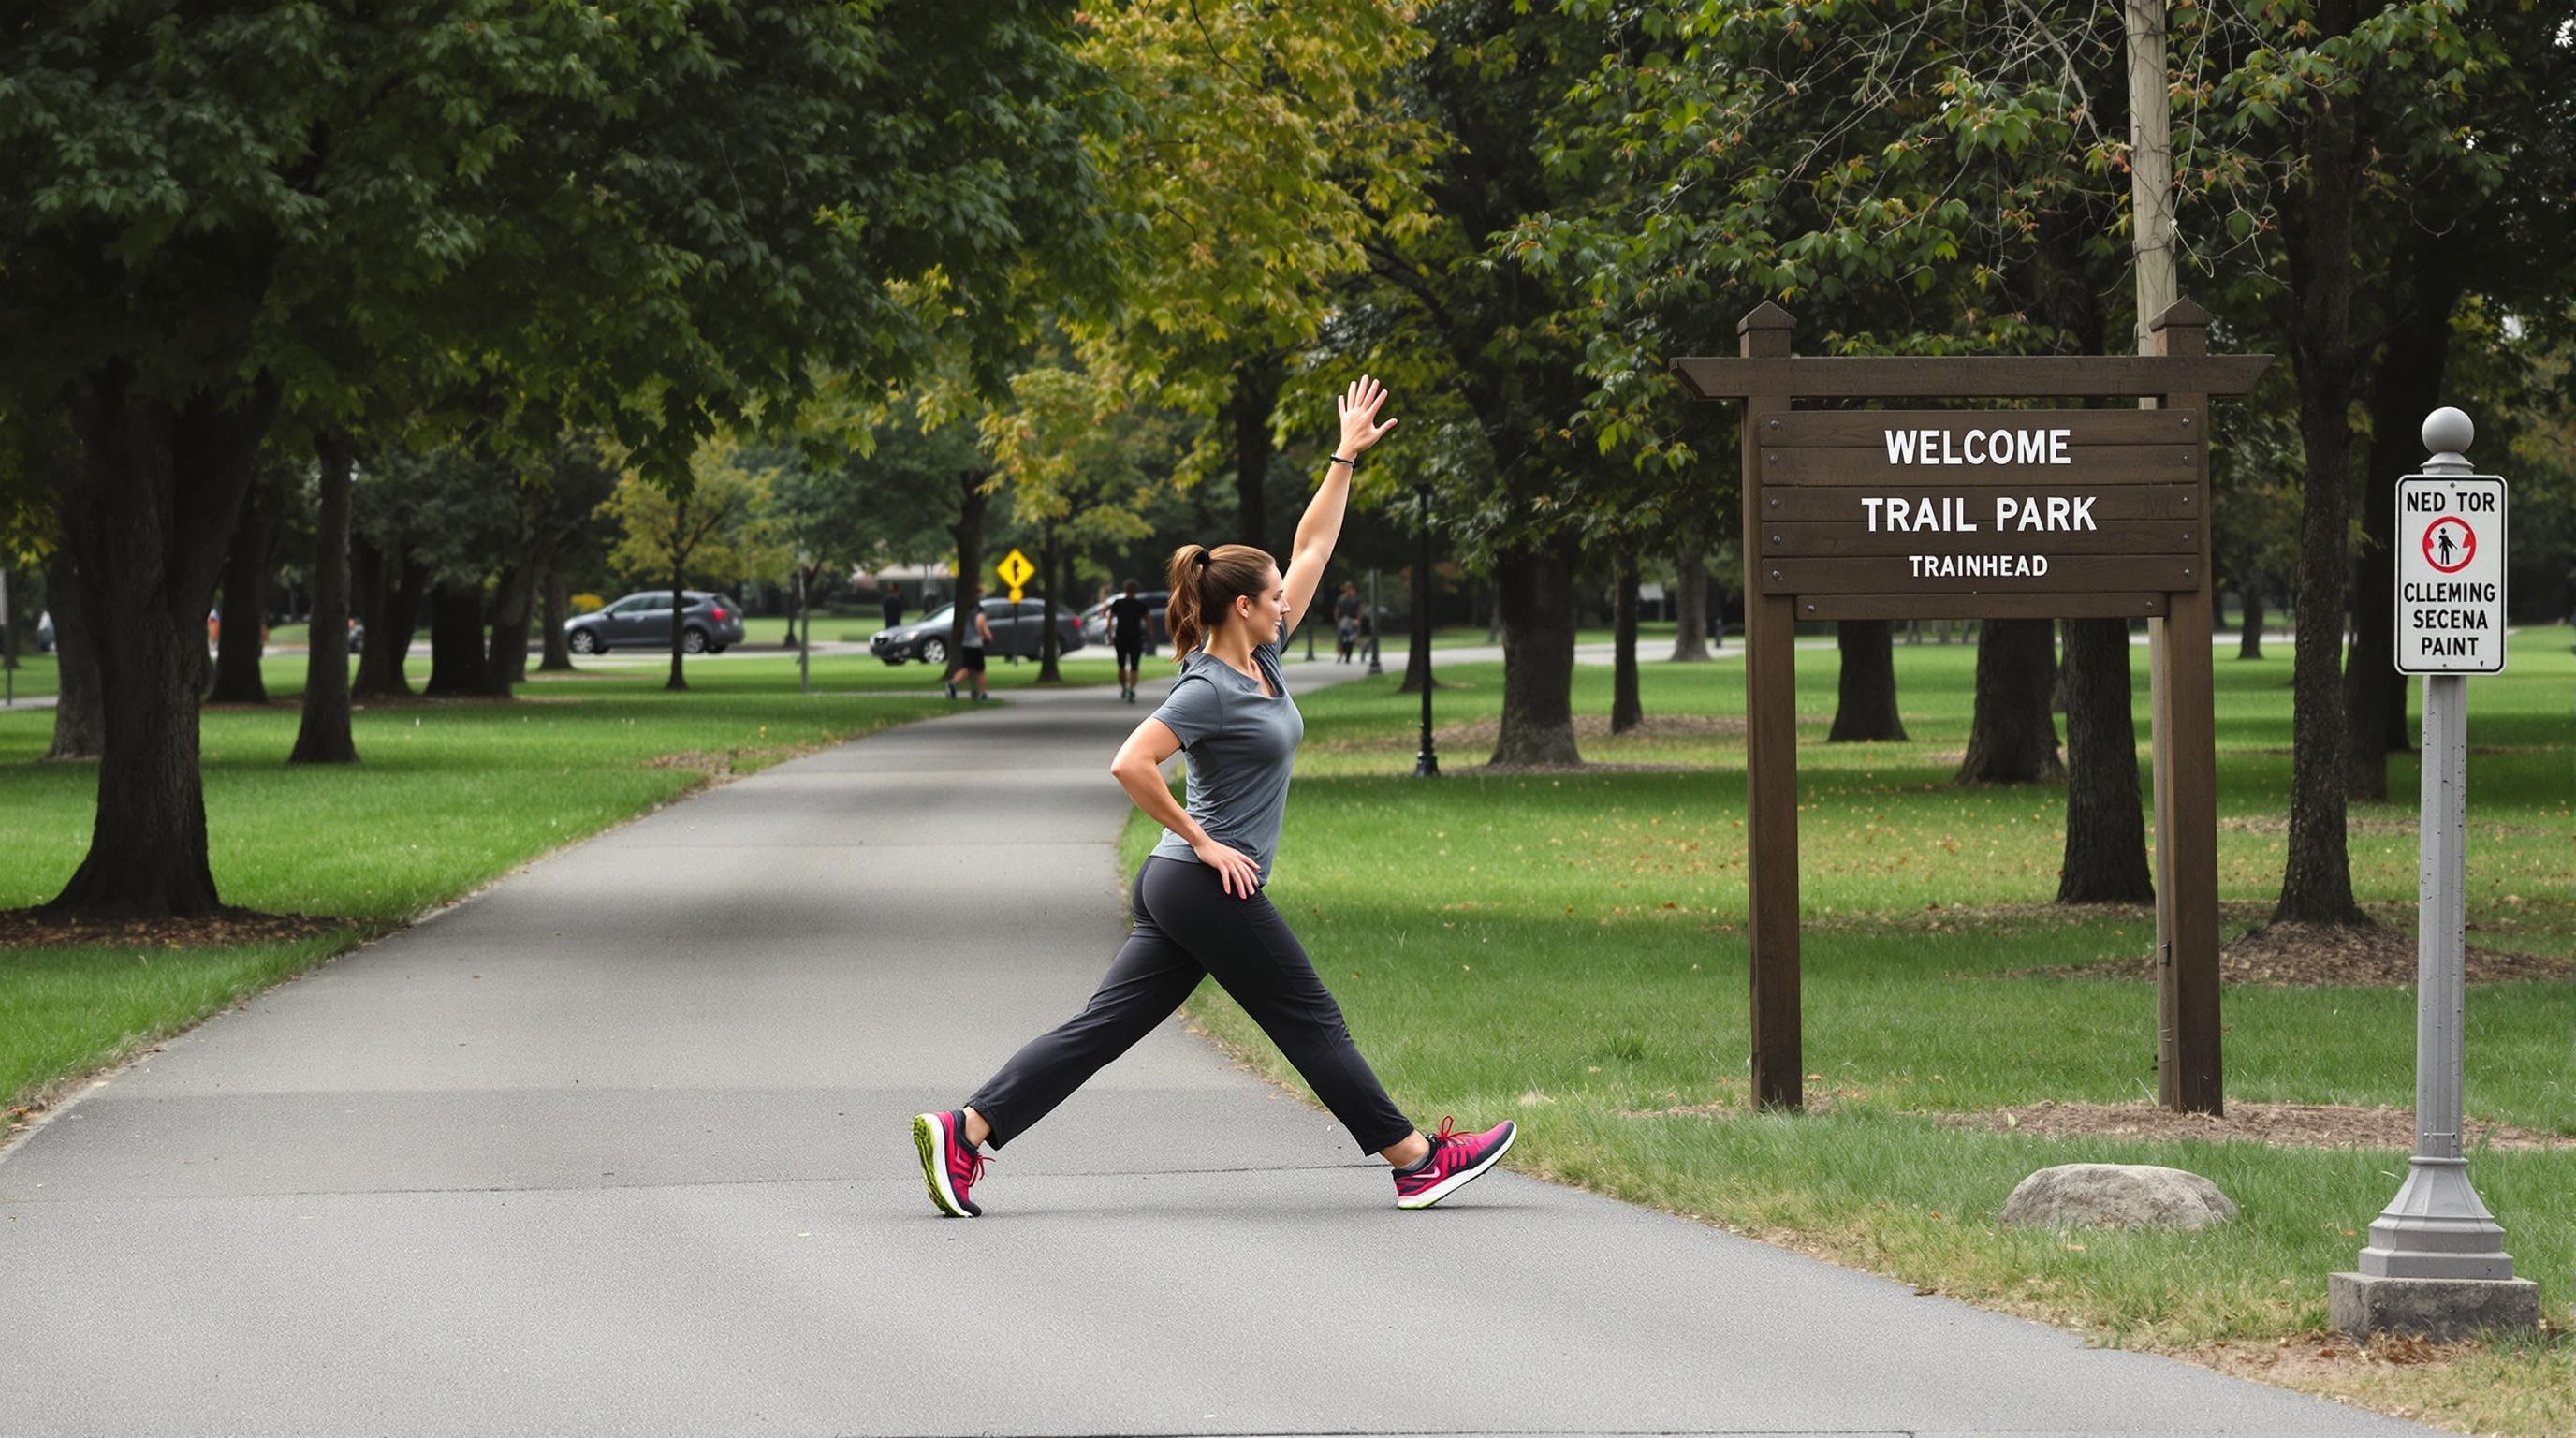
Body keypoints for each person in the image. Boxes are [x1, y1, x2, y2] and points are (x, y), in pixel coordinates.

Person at [912, 376, 1515, 1218]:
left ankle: (965, 1130)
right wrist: (1203, 840)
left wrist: (1344, 455)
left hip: (1178, 889)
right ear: (1244, 606)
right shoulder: (1209, 688)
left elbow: (1312, 547)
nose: (1286, 605)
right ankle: (1417, 1159)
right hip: (1203, 881)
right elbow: (1131, 764)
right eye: (1273, 600)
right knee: (1311, 1017)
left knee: (1104, 1028)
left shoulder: (1260, 659)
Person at [944, 589, 993, 701]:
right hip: (976, 644)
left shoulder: (968, 610)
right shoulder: (979, 611)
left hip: (966, 642)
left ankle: (952, 683)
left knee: (967, 667)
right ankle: (982, 693)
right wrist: (987, 635)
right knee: (980, 670)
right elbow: (980, 623)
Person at [1108, 579, 1151, 702]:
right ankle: (1131, 688)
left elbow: (1110, 618)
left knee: (1121, 665)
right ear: (1136, 590)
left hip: (1121, 637)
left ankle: (1123, 687)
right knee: (1134, 666)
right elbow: (1148, 620)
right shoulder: (1140, 605)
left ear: (1125, 589)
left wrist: (1110, 633)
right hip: (1135, 638)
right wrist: (1150, 634)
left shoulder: (1118, 603)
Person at [1333, 581, 1360, 663]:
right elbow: (1337, 611)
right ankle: (1341, 653)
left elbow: (1359, 611)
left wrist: (1358, 620)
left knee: (1349, 638)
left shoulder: (1353, 599)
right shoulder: (1342, 599)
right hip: (1345, 620)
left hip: (1350, 620)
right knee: (1341, 638)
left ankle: (1345, 654)